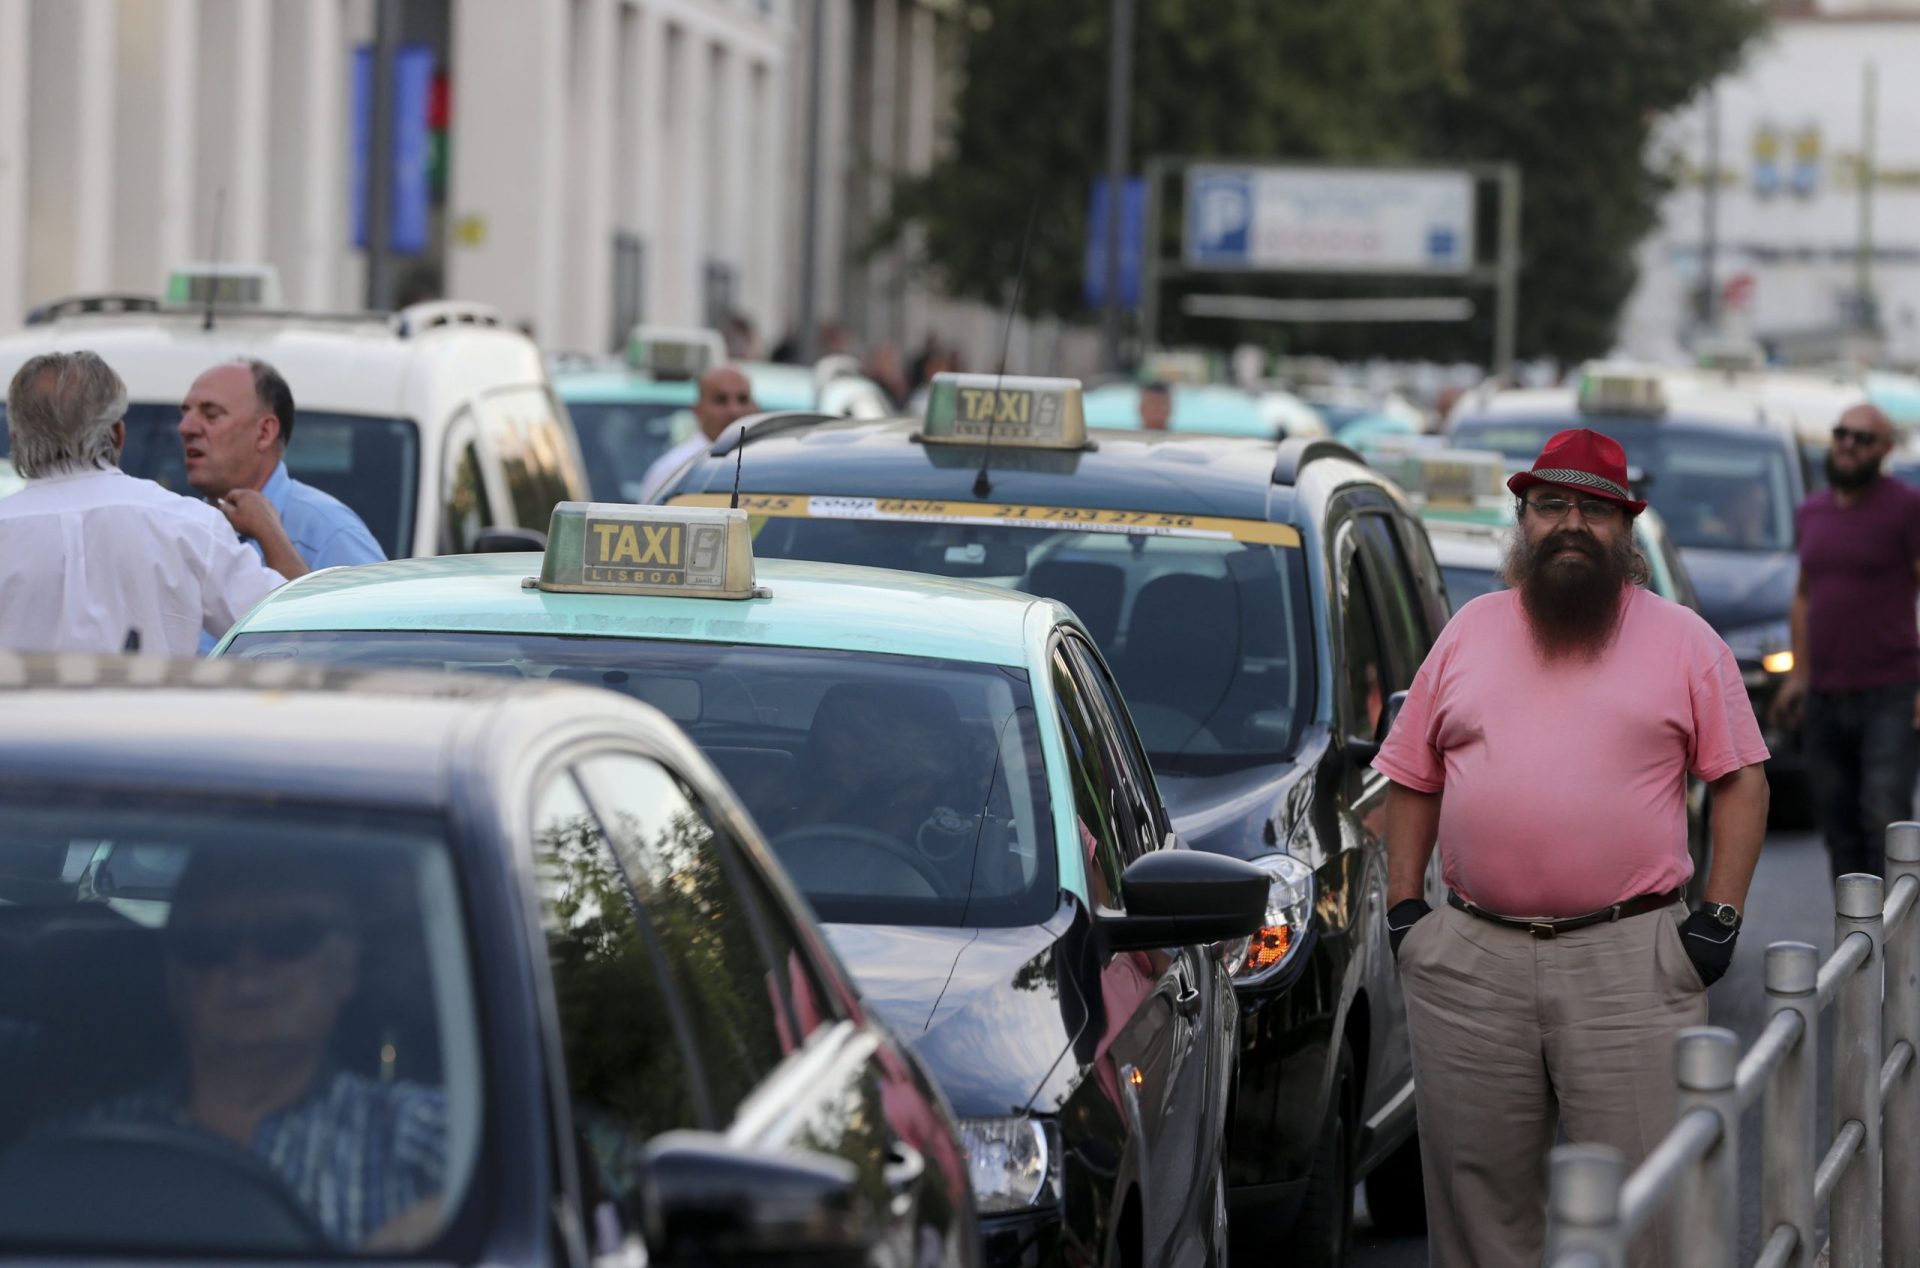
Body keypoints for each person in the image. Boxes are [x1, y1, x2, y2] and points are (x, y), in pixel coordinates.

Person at [1374, 428, 1770, 1268]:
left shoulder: (1686, 641)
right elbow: (1413, 775)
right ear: (1523, 519)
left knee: (1642, 1206)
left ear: (1627, 531)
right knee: (1477, 1206)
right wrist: (1409, 916)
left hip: (1632, 963)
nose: (1571, 524)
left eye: (1595, 509)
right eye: (1552, 505)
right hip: (1470, 961)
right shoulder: (1469, 632)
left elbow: (1741, 781)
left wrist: (1719, 921)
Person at [93, 852, 446, 1249]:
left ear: (345, 965)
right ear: (173, 977)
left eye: (289, 937)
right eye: (210, 942)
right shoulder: (86, 1154)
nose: (247, 965)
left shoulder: (429, 1137)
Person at [0, 351, 304, 656]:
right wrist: (270, 531)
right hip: (152, 704)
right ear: (119, 435)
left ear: (16, 439)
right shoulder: (189, 525)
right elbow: (295, 626)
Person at [1771, 402, 1920, 881]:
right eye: (1842, 434)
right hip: (1824, 697)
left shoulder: (1905, 507)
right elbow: (1804, 595)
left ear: (1885, 449)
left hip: (1891, 692)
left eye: (1863, 438)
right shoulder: (1812, 511)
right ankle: (1856, 942)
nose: (1849, 444)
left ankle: (1896, 942)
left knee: (1883, 816)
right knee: (1837, 828)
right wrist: (1798, 675)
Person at [180, 360, 386, 571]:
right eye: (185, 413)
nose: (185, 427)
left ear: (264, 433)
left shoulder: (331, 534)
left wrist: (269, 536)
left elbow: (384, 605)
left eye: (211, 414)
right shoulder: (179, 527)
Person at [635, 364, 758, 503]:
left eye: (743, 399)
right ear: (698, 410)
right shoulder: (674, 470)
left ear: (756, 407)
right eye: (721, 400)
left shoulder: (766, 465)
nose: (734, 410)